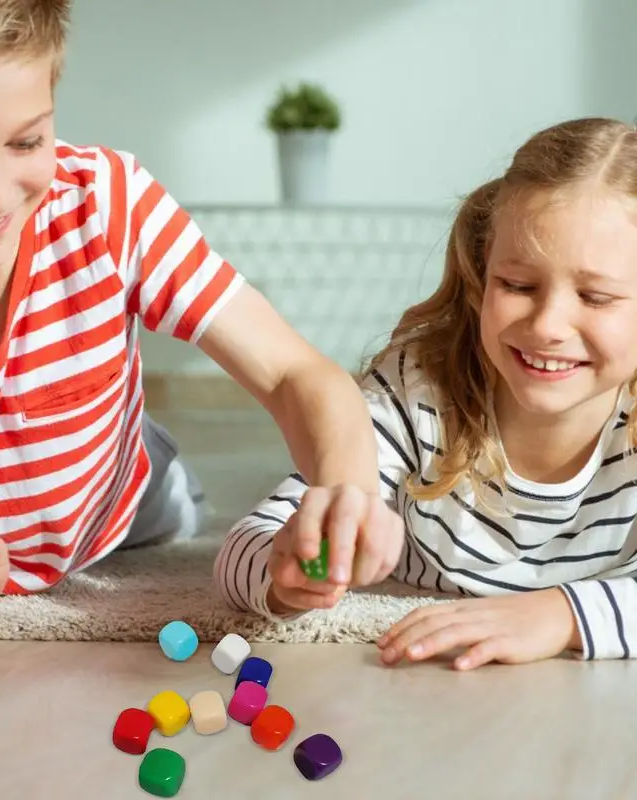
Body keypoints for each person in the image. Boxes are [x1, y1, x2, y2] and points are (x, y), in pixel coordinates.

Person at [0, 0, 402, 639]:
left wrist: (350, 491)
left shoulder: (107, 204)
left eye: (26, 142)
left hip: (123, 497)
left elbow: (293, 373)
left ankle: (153, 463)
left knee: (173, 499)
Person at [216, 116, 637, 668]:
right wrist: (283, 573)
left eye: (596, 296)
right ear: (483, 273)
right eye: (517, 285)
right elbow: (243, 545)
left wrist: (560, 615)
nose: (548, 325)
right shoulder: (417, 391)